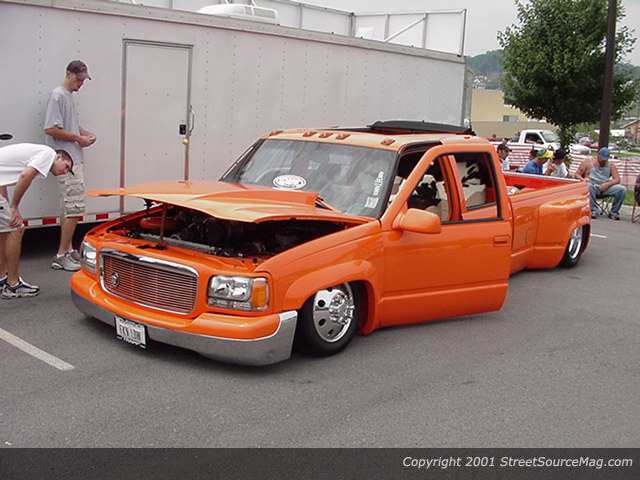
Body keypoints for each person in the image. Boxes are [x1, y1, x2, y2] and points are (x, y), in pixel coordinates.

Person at [0, 144, 74, 299]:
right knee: (16, 228)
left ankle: (2, 279)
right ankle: (13, 285)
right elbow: (25, 176)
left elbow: (2, 179)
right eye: (66, 166)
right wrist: (13, 206)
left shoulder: (37, 153)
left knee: (4, 232)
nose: (65, 172)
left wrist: (7, 204)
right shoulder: (48, 153)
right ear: (59, 157)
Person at [44, 60, 96, 272]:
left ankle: (68, 249)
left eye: (83, 80)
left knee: (69, 208)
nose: (81, 83)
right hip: (66, 161)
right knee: (74, 208)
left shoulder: (68, 97)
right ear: (68, 74)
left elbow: (69, 126)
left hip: (71, 159)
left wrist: (85, 134)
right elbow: (50, 129)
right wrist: (77, 138)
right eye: (79, 79)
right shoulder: (58, 96)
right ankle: (61, 255)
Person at [574, 147, 626, 220]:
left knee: (622, 189)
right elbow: (577, 174)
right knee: (589, 186)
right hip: (591, 186)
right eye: (601, 159)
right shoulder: (588, 162)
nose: (603, 161)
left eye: (605, 159)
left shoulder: (611, 165)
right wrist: (583, 180)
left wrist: (607, 184)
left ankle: (614, 212)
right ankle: (594, 210)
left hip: (604, 188)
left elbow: (617, 179)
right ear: (598, 155)